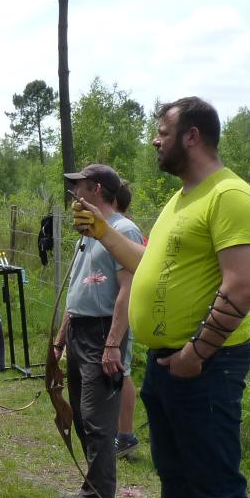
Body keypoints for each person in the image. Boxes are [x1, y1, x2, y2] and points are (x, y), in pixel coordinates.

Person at [74, 96, 250, 498]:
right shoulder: (182, 200)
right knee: (175, 475)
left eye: (162, 132)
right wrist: (106, 232)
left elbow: (243, 285)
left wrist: (197, 352)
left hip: (205, 365)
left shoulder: (231, 196)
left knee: (220, 487)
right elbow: (145, 262)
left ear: (192, 135)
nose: (154, 141)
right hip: (166, 363)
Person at [50, 164, 143, 498]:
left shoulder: (122, 231)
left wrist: (112, 344)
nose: (75, 194)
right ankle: (93, 491)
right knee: (83, 416)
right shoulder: (87, 232)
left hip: (104, 332)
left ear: (99, 189)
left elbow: (127, 290)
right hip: (80, 331)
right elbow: (77, 291)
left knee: (98, 423)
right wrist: (59, 338)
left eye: (81, 187)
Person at [113, 180, 140, 460]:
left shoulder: (126, 229)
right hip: (102, 314)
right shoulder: (108, 226)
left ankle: (125, 435)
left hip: (119, 312)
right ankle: (116, 432)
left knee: (124, 370)